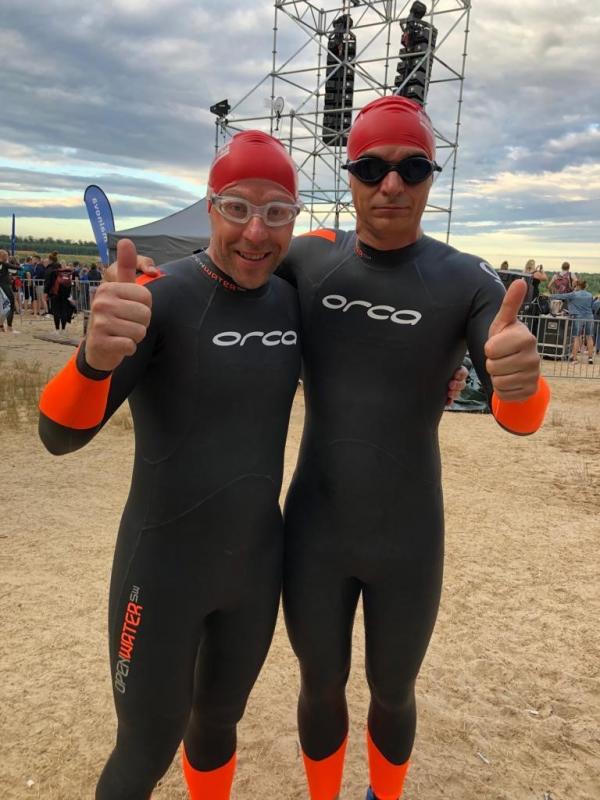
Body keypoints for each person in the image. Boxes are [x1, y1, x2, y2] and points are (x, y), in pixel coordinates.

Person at [131, 98, 548, 800]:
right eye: (372, 167)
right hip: (316, 530)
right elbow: (223, 274)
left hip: (409, 535)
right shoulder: (309, 257)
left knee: (393, 691)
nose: (392, 184)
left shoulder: (469, 282)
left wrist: (520, 381)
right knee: (320, 684)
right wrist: (148, 281)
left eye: (413, 168)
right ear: (349, 174)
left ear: (433, 176)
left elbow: (520, 414)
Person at [38, 131, 304, 800]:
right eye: (237, 207)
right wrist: (93, 358)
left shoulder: (293, 300)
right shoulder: (160, 299)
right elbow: (58, 437)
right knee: (146, 747)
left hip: (255, 569)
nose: (255, 231)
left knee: (217, 724)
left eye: (276, 212)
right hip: (161, 572)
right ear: (210, 208)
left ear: (294, 220)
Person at [549, 279, 596, 364]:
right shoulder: (590, 295)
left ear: (577, 286)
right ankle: (590, 358)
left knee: (576, 337)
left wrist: (550, 296)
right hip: (589, 317)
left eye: (575, 286)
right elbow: (591, 306)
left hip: (578, 317)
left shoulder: (573, 294)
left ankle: (574, 358)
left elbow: (561, 296)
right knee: (589, 337)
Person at [0, 249, 19, 333]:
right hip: (5, 286)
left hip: (1, 287)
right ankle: (9, 327)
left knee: (1, 307)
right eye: (7, 256)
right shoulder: (4, 264)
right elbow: (18, 268)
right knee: (11, 305)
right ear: (4, 256)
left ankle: (1, 327)